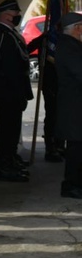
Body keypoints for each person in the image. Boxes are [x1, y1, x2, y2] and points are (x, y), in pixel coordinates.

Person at [0, 0, 33, 182]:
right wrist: (18, 93)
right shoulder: (1, 36)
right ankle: (6, 166)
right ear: (7, 16)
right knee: (8, 129)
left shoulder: (10, 34)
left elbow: (20, 55)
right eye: (15, 14)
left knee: (12, 129)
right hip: (9, 92)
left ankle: (12, 159)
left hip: (13, 91)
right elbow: (9, 68)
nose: (18, 16)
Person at [53, 12, 82, 199]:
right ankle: (71, 185)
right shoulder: (69, 47)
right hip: (74, 106)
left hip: (76, 104)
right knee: (76, 148)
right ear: (77, 28)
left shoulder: (71, 45)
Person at [27, 32, 65, 162]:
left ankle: (60, 144)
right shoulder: (47, 38)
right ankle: (51, 147)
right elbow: (28, 49)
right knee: (52, 115)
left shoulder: (68, 39)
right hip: (50, 83)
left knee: (64, 116)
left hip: (66, 84)